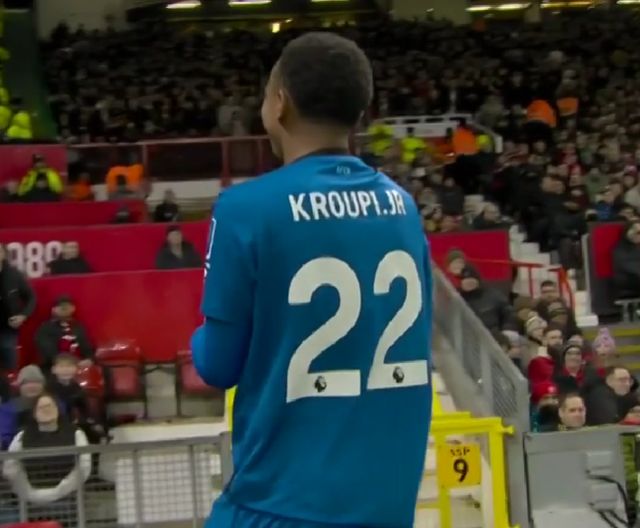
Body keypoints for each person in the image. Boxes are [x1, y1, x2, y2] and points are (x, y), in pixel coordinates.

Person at [191, 32, 432, 528]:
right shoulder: (403, 207)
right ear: (360, 112)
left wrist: (199, 333)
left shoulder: (245, 208)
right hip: (387, 508)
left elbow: (217, 365)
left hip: (279, 503)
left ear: (279, 103)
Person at [2, 393, 91, 527]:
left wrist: (60, 490)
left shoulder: (76, 433)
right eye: (41, 407)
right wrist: (29, 492)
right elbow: (10, 466)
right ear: (34, 413)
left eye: (49, 406)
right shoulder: (22, 436)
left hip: (67, 498)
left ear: (57, 409)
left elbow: (84, 466)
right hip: (31, 500)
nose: (46, 409)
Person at [0, 243, 36, 370]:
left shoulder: (14, 274)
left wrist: (23, 315)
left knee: (10, 366)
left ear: (4, 254)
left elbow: (31, 297)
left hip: (8, 328)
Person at [35, 295, 93, 372]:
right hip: (55, 368)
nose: (64, 308)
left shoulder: (78, 327)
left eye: (67, 306)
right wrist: (72, 363)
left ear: (73, 309)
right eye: (61, 306)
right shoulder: (45, 328)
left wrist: (89, 359)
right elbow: (49, 352)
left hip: (79, 368)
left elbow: (87, 347)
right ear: (53, 310)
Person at [458, 266, 515, 333]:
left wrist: (509, 329)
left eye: (471, 280)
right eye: (465, 281)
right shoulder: (457, 298)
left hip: (492, 334)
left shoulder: (493, 295)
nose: (468, 283)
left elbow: (508, 313)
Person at [0, 365, 46, 448]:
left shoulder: (55, 404)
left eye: (36, 382)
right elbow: (5, 436)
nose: (32, 386)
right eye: (26, 382)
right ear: (20, 386)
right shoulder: (8, 409)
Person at [612, 221, 640, 299]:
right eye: (637, 232)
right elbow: (628, 266)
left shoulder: (637, 247)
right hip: (627, 279)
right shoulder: (619, 249)